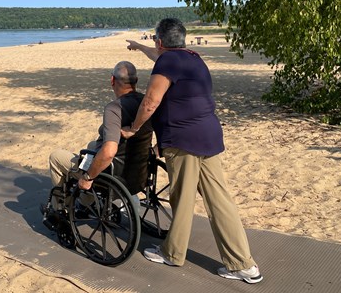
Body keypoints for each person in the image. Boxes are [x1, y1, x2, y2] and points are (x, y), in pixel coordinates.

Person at [122, 18, 263, 284]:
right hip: (208, 136)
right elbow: (159, 56)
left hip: (182, 140)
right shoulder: (193, 59)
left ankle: (172, 253)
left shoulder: (167, 62)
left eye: (155, 40)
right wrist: (139, 46)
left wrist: (133, 128)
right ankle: (243, 264)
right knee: (219, 200)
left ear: (161, 41)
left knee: (182, 197)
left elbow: (151, 101)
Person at [47, 61, 153, 206]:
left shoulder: (114, 109)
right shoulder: (146, 104)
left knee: (56, 157)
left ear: (112, 80)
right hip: (138, 172)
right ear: (136, 81)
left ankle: (61, 206)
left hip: (115, 174)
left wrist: (88, 177)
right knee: (92, 145)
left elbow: (109, 152)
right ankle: (88, 199)